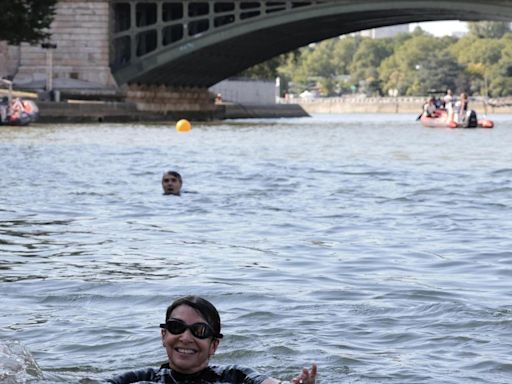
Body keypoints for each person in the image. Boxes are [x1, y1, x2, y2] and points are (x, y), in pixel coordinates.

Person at [106, 295, 317, 384]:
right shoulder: (143, 378)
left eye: (199, 330)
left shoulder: (233, 376)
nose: (185, 338)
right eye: (176, 327)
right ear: (164, 335)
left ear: (214, 345)